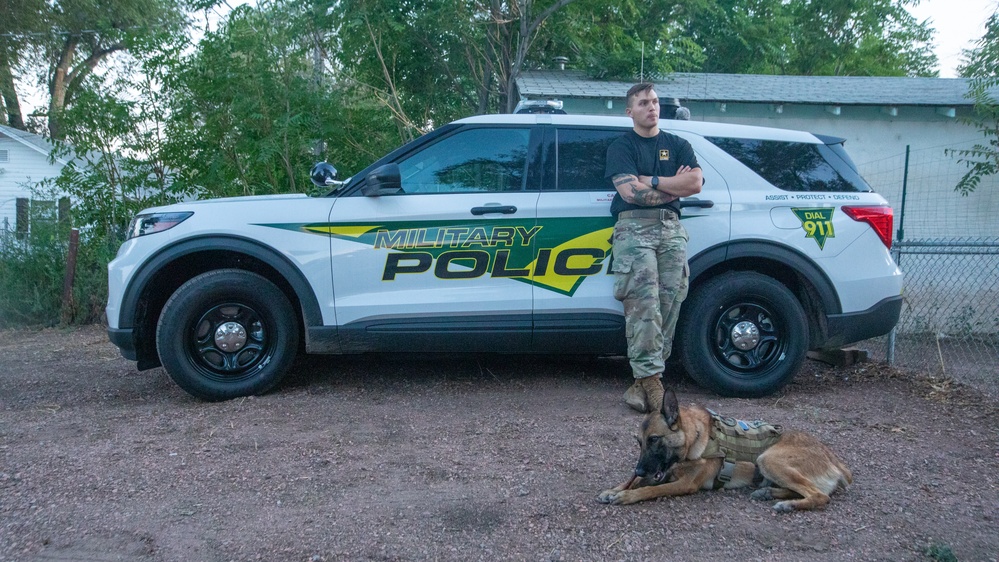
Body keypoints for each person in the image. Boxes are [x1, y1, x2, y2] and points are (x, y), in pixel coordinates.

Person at [604, 83, 703, 413]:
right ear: (629, 111)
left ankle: (643, 382)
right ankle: (651, 382)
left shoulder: (679, 144)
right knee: (644, 303)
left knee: (669, 301)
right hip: (634, 227)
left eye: (656, 101)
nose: (652, 107)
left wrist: (654, 180)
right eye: (643, 102)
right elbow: (631, 193)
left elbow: (695, 183)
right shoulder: (622, 146)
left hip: (672, 229)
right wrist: (675, 187)